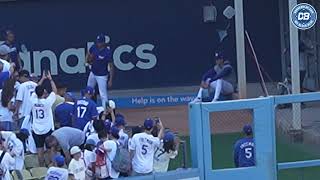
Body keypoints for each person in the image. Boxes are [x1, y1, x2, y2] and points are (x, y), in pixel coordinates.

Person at [30, 71, 57, 166]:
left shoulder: (32, 100)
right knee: (51, 150)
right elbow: (55, 91)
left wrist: (42, 79)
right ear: (44, 93)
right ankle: (52, 166)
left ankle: (41, 169)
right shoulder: (47, 102)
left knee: (40, 151)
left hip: (36, 129)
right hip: (47, 129)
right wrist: (50, 79)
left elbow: (35, 90)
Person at [86, 34, 114, 109]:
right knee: (88, 90)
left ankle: (106, 111)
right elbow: (88, 55)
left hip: (102, 75)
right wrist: (89, 59)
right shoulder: (93, 47)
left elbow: (111, 67)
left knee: (103, 95)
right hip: (93, 73)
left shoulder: (107, 52)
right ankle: (86, 107)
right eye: (97, 42)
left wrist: (110, 80)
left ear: (103, 43)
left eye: (100, 42)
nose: (98, 44)